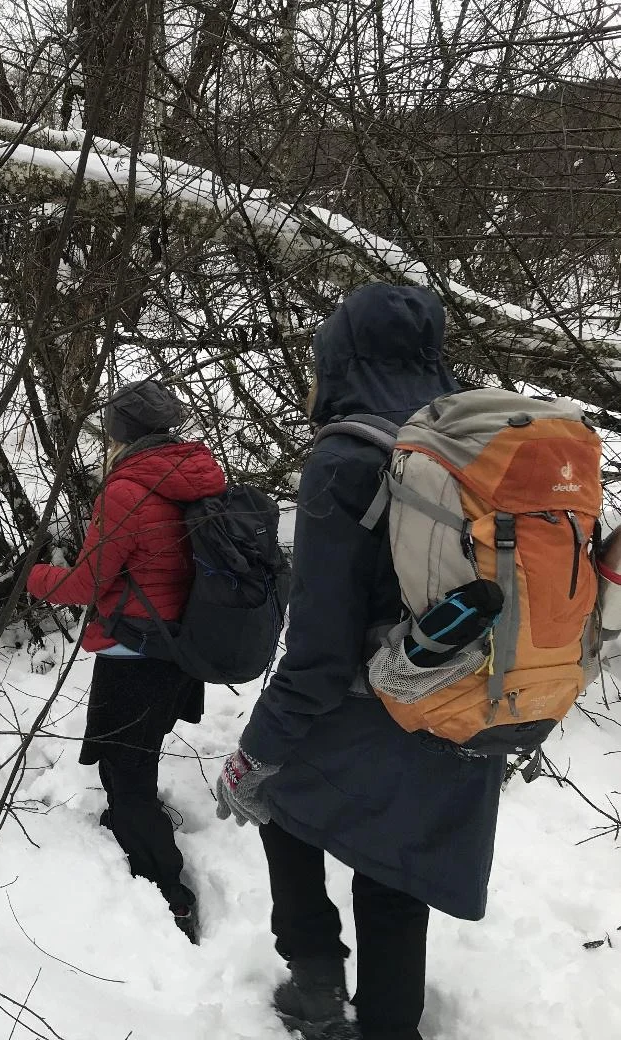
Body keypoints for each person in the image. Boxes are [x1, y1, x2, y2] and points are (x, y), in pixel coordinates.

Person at [212, 283, 502, 1040]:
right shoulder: (481, 439)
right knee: (395, 876)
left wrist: (253, 755)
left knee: (278, 803)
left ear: (342, 356)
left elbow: (316, 652)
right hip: (466, 704)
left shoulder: (347, 458)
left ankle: (314, 988)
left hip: (369, 709)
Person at [27, 379, 225, 944]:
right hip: (178, 648)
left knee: (125, 767)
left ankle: (169, 887)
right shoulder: (195, 475)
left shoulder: (126, 491)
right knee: (135, 753)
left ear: (121, 435)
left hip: (133, 651)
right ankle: (132, 824)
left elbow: (88, 582)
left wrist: (34, 577)